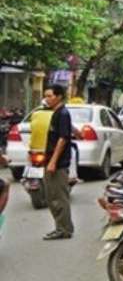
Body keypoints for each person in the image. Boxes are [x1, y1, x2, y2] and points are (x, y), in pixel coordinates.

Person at [41, 84, 74, 240]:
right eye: (46, 96)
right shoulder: (57, 113)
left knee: (58, 197)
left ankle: (64, 229)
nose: (47, 99)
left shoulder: (62, 113)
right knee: (51, 196)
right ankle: (63, 227)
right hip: (51, 160)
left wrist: (53, 161)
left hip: (58, 163)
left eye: (50, 96)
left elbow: (63, 139)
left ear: (59, 96)